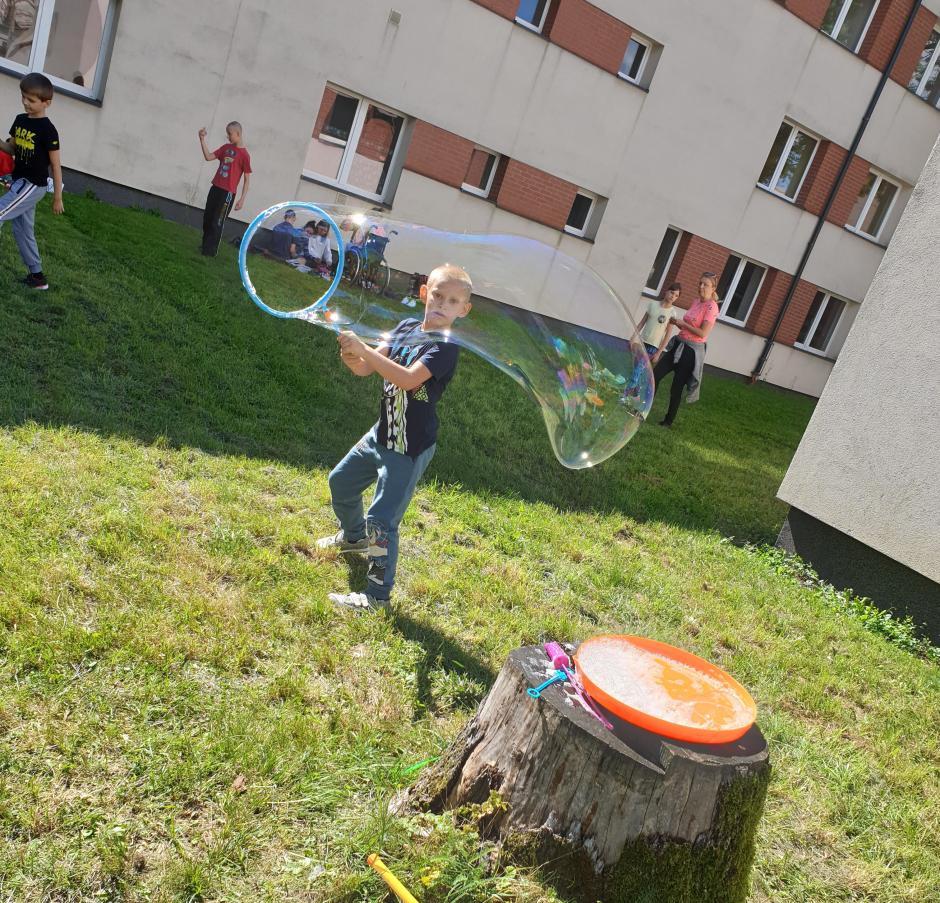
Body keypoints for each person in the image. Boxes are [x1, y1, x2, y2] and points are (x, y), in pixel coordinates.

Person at [316, 263, 474, 612]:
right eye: (437, 295)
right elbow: (366, 368)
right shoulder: (405, 327)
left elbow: (406, 379)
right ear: (424, 293)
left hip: (408, 447)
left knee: (382, 521)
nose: (442, 304)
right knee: (341, 481)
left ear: (463, 310)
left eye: (452, 301)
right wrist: (351, 355)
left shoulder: (446, 349)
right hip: (382, 433)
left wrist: (364, 349)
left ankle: (377, 596)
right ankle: (354, 538)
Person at [0, 72, 64, 290]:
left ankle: (37, 276)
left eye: (31, 100)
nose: (25, 103)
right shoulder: (20, 120)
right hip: (19, 181)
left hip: (33, 185)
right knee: (23, 231)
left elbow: (55, 165)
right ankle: (38, 278)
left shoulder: (48, 130)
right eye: (23, 97)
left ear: (47, 103)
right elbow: (11, 149)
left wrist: (57, 197)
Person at [652, 272, 720, 427]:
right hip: (679, 344)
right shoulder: (696, 301)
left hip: (690, 352)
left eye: (705, 284)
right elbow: (689, 326)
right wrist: (678, 323)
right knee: (655, 375)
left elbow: (703, 333)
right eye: (700, 283)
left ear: (713, 288)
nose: (701, 286)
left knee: (676, 387)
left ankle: (668, 421)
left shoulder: (712, 307)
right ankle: (643, 409)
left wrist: (684, 324)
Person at [198, 121, 251, 256]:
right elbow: (208, 157)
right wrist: (202, 139)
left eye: (229, 134)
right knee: (208, 218)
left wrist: (242, 199)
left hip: (227, 194)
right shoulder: (226, 148)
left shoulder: (244, 155)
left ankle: (210, 252)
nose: (228, 136)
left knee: (217, 221)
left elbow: (246, 180)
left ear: (238, 133)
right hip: (215, 188)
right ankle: (205, 246)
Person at [625, 282, 681, 398]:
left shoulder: (672, 313)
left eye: (676, 295)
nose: (673, 296)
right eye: (672, 293)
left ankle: (625, 395)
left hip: (653, 347)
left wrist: (659, 352)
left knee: (637, 370)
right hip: (641, 343)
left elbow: (667, 335)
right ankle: (636, 394)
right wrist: (633, 337)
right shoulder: (653, 305)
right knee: (638, 370)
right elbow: (642, 322)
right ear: (666, 291)